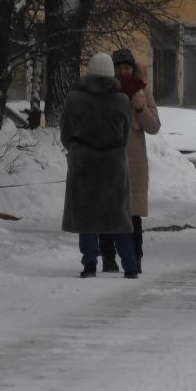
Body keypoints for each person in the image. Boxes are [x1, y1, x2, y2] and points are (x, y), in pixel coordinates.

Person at [60, 52, 140, 278]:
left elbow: (66, 133)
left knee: (86, 216)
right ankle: (131, 266)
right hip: (114, 164)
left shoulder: (74, 99)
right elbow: (124, 135)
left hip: (84, 162)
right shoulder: (122, 100)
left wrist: (77, 149)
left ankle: (89, 265)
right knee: (118, 217)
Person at [100, 47, 160, 272]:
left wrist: (141, 107)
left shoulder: (143, 91)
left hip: (134, 166)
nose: (123, 72)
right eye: (119, 67)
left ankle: (135, 258)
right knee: (107, 213)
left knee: (133, 216)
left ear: (133, 69)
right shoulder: (103, 91)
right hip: (108, 160)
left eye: (127, 67)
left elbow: (154, 127)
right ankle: (107, 258)